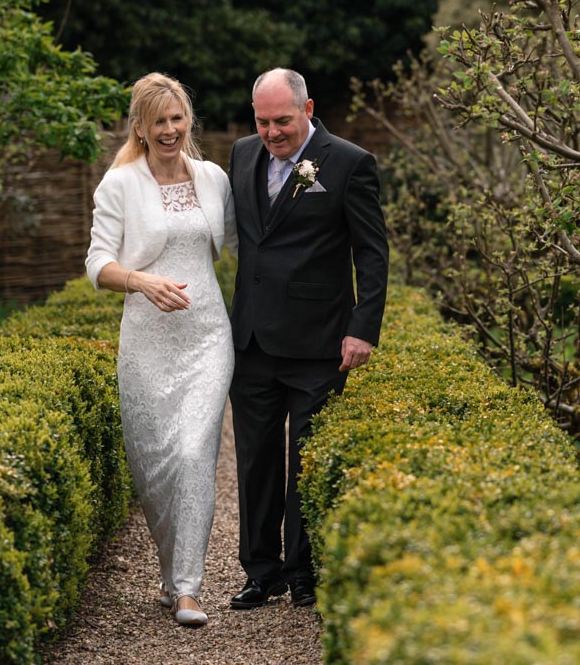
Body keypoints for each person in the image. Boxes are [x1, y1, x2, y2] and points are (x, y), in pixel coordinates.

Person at [226, 67, 388, 610]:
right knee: (254, 458)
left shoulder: (349, 163)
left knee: (305, 458)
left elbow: (371, 252)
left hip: (318, 342)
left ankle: (302, 572)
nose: (272, 132)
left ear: (309, 109)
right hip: (250, 339)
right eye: (263, 121)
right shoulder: (242, 154)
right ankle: (260, 570)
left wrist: (362, 328)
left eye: (283, 121)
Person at [85, 72, 237, 627]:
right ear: (141, 128)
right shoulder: (120, 183)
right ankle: (169, 571)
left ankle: (188, 589)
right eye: (159, 122)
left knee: (195, 451)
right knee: (155, 464)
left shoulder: (214, 178)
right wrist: (142, 282)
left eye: (178, 118)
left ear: (188, 120)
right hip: (146, 340)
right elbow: (97, 264)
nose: (170, 129)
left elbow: (251, 244)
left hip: (206, 336)